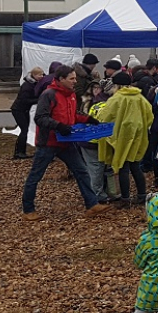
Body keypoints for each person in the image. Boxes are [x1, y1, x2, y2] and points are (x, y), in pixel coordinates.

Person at [21, 65, 111, 221]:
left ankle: (92, 204)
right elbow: (40, 118)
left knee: (81, 171)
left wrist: (88, 119)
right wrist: (58, 126)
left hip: (66, 142)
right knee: (36, 175)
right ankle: (28, 210)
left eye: (75, 78)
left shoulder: (71, 95)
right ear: (61, 79)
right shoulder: (48, 94)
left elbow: (73, 115)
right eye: (72, 78)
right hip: (48, 142)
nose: (75, 81)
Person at [97, 72, 153, 207]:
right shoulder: (139, 97)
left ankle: (125, 199)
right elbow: (149, 115)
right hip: (138, 137)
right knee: (135, 165)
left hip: (121, 137)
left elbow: (104, 116)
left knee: (122, 167)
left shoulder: (116, 99)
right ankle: (141, 195)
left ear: (117, 85)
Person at [10, 66, 44, 159]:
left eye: (42, 74)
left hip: (24, 110)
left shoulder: (33, 84)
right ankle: (19, 152)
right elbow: (24, 100)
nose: (41, 76)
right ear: (34, 75)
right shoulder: (27, 86)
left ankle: (20, 151)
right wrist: (38, 100)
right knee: (24, 130)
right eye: (39, 75)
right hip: (19, 110)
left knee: (24, 130)